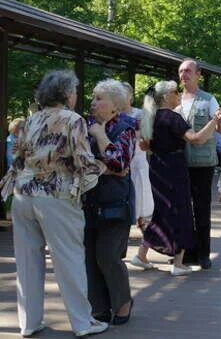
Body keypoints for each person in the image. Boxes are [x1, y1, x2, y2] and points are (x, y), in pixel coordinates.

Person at [0, 70, 109, 337]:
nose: (75, 95)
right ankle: (82, 322)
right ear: (65, 94)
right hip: (57, 196)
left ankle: (29, 323)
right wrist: (103, 167)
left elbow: (18, 160)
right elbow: (82, 161)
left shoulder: (29, 121)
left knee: (27, 262)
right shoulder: (73, 120)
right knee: (69, 260)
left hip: (24, 194)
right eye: (73, 90)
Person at [132, 81, 221, 276]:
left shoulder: (150, 117)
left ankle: (141, 255)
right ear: (166, 96)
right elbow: (197, 138)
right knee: (180, 211)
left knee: (162, 212)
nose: (178, 95)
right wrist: (214, 121)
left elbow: (144, 146)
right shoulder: (172, 117)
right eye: (175, 92)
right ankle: (178, 262)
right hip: (174, 168)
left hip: (157, 166)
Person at [83, 79, 136, 325]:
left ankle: (123, 302)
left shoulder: (124, 128)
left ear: (115, 105)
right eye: (93, 98)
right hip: (88, 201)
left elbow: (119, 164)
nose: (93, 103)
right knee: (90, 257)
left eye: (99, 98)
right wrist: (103, 167)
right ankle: (99, 307)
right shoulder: (83, 126)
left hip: (115, 203)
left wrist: (101, 136)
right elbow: (78, 164)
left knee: (108, 255)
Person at [176, 59, 221, 269]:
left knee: (202, 209)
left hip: (203, 164)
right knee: (183, 210)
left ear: (198, 74)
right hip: (180, 162)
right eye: (181, 71)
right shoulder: (174, 100)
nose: (184, 75)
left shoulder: (208, 99)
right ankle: (187, 252)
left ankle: (203, 253)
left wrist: (219, 120)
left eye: (188, 71)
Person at [119, 82, 154, 227]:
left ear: (130, 97)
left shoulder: (139, 114)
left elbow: (146, 136)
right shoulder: (114, 114)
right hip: (122, 161)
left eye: (125, 94)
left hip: (138, 160)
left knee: (141, 193)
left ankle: (142, 223)